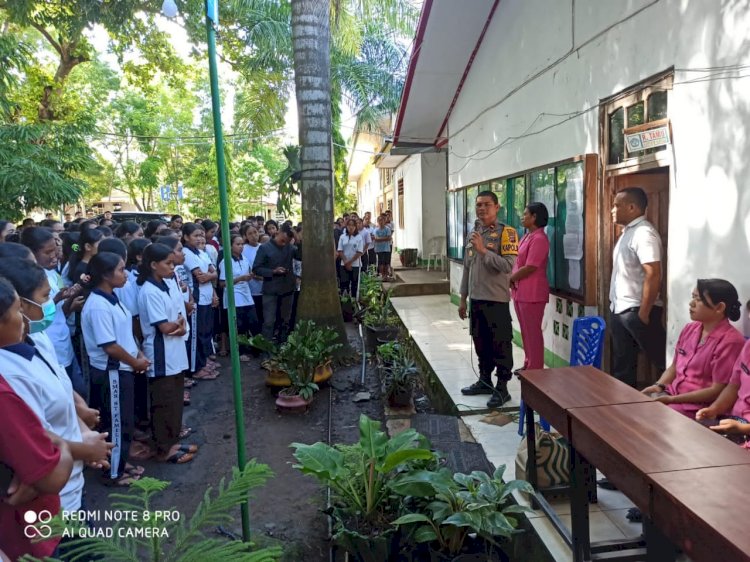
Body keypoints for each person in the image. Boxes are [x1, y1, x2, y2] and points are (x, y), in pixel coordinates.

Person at [0, 258, 113, 514]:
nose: (51, 303)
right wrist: (84, 448)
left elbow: (58, 380)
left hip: (72, 484)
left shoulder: (36, 337)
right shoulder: (9, 374)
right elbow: (37, 440)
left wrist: (81, 421)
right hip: (53, 503)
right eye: (44, 296)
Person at [0, 277, 73, 561]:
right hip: (31, 535)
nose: (23, 319)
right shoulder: (5, 393)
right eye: (18, 311)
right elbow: (50, 478)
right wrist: (61, 445)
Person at [82, 252, 150, 485]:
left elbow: (125, 332)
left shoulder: (112, 296)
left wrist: (138, 353)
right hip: (112, 372)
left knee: (123, 420)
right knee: (117, 422)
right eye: (121, 269)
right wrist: (135, 362)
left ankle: (118, 462)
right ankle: (113, 473)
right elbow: (110, 346)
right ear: (105, 275)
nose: (126, 273)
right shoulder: (98, 306)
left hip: (124, 367)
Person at [641, 279, 745, 419]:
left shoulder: (731, 341)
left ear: (719, 307)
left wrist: (672, 400)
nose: (691, 303)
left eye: (698, 299)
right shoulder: (690, 329)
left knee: (648, 420)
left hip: (697, 408)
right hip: (671, 396)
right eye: (693, 297)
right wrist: (659, 386)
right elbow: (674, 367)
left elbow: (717, 390)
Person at [136, 244, 196, 463]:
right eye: (168, 263)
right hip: (162, 354)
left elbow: (179, 315)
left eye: (173, 262)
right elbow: (164, 327)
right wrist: (179, 325)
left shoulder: (167, 284)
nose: (173, 267)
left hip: (176, 349)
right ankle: (163, 448)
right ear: (153, 265)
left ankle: (172, 440)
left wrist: (180, 324)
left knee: (175, 398)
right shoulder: (149, 291)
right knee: (163, 401)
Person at [458, 190, 519, 408]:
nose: (481, 209)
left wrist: (484, 251)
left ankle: (502, 388)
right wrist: (463, 298)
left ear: (496, 207)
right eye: (478, 205)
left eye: (486, 205)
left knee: (500, 344)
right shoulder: (472, 234)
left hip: (496, 300)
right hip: (476, 299)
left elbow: (507, 267)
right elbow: (467, 268)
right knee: (480, 342)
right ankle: (485, 380)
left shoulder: (507, 233)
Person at [609, 187, 666, 387]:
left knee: (661, 361)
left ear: (632, 207)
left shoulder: (644, 233)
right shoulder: (627, 233)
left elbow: (653, 273)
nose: (612, 210)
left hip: (637, 310)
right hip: (620, 309)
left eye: (617, 205)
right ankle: (624, 411)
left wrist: (643, 313)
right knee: (623, 367)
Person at [21, 227, 86, 397]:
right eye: (48, 251)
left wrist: (70, 299)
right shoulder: (28, 281)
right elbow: (37, 314)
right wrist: (56, 299)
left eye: (55, 249)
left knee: (78, 393)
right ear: (32, 253)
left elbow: (59, 314)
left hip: (64, 344)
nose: (54, 255)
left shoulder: (52, 275)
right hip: (50, 347)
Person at [509, 203, 550, 372]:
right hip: (521, 291)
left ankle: (535, 368)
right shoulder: (528, 236)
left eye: (525, 214)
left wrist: (511, 278)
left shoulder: (540, 238)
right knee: (525, 330)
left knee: (533, 332)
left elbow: (531, 266)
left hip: (533, 293)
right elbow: (519, 262)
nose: (522, 216)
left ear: (534, 217)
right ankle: (528, 363)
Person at [697, 337, 750, 449]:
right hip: (733, 422)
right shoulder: (748, 347)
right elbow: (734, 385)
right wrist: (715, 409)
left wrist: (743, 428)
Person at [182, 223, 219, 380]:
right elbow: (201, 277)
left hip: (206, 297)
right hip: (196, 299)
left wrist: (211, 277)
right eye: (196, 235)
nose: (200, 238)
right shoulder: (187, 253)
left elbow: (213, 272)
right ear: (186, 237)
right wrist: (211, 275)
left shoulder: (202, 252)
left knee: (205, 332)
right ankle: (195, 368)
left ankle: (203, 362)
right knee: (196, 335)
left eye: (201, 235)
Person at [253, 224, 300, 343]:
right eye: (283, 240)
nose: (284, 243)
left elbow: (300, 256)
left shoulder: (290, 247)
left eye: (287, 241)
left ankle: (282, 346)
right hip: (271, 289)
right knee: (269, 321)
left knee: (285, 320)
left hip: (288, 288)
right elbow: (256, 268)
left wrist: (298, 240)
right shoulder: (264, 248)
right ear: (278, 233)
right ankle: (266, 349)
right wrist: (273, 271)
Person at [219, 234, 259, 358]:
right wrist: (240, 278)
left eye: (242, 244)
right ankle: (239, 352)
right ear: (230, 246)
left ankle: (253, 348)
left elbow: (250, 273)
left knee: (253, 322)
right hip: (234, 296)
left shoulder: (245, 259)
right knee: (238, 326)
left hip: (246, 295)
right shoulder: (226, 261)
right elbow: (222, 283)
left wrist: (252, 276)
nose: (241, 247)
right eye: (238, 244)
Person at [241, 224, 264, 330]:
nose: (254, 235)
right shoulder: (244, 249)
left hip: (265, 287)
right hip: (251, 288)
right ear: (245, 236)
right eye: (250, 234)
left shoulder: (263, 247)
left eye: (255, 232)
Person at [337, 218, 364, 297]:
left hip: (355, 265)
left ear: (355, 227)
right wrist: (346, 262)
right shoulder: (342, 237)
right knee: (344, 283)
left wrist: (350, 262)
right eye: (349, 225)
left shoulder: (359, 237)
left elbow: (359, 252)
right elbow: (340, 250)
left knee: (354, 284)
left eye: (353, 225)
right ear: (346, 226)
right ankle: (345, 302)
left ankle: (354, 301)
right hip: (343, 264)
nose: (351, 227)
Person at [373, 214, 393, 280]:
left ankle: (386, 275)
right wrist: (385, 238)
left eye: (382, 220)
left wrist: (380, 239)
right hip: (379, 249)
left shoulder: (387, 229)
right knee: (381, 263)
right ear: (377, 222)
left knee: (386, 263)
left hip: (386, 248)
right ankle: (382, 275)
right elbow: (376, 239)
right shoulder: (376, 230)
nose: (381, 222)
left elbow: (389, 238)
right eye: (379, 221)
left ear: (384, 221)